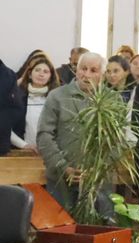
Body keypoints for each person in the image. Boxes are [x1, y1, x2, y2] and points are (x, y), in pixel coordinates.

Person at [36, 53, 108, 212]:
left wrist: (98, 169)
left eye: (93, 70)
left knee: (96, 232)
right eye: (83, 68)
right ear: (76, 70)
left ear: (102, 74)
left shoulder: (111, 100)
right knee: (61, 231)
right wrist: (63, 167)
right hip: (60, 180)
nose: (86, 74)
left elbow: (119, 141)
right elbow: (44, 135)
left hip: (98, 182)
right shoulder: (57, 96)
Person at [10, 57, 59, 151]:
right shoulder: (16, 98)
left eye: (45, 71)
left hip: (50, 152)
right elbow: (5, 127)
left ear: (50, 77)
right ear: (29, 74)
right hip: (22, 152)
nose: (41, 74)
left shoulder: (56, 99)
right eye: (37, 70)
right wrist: (24, 145)